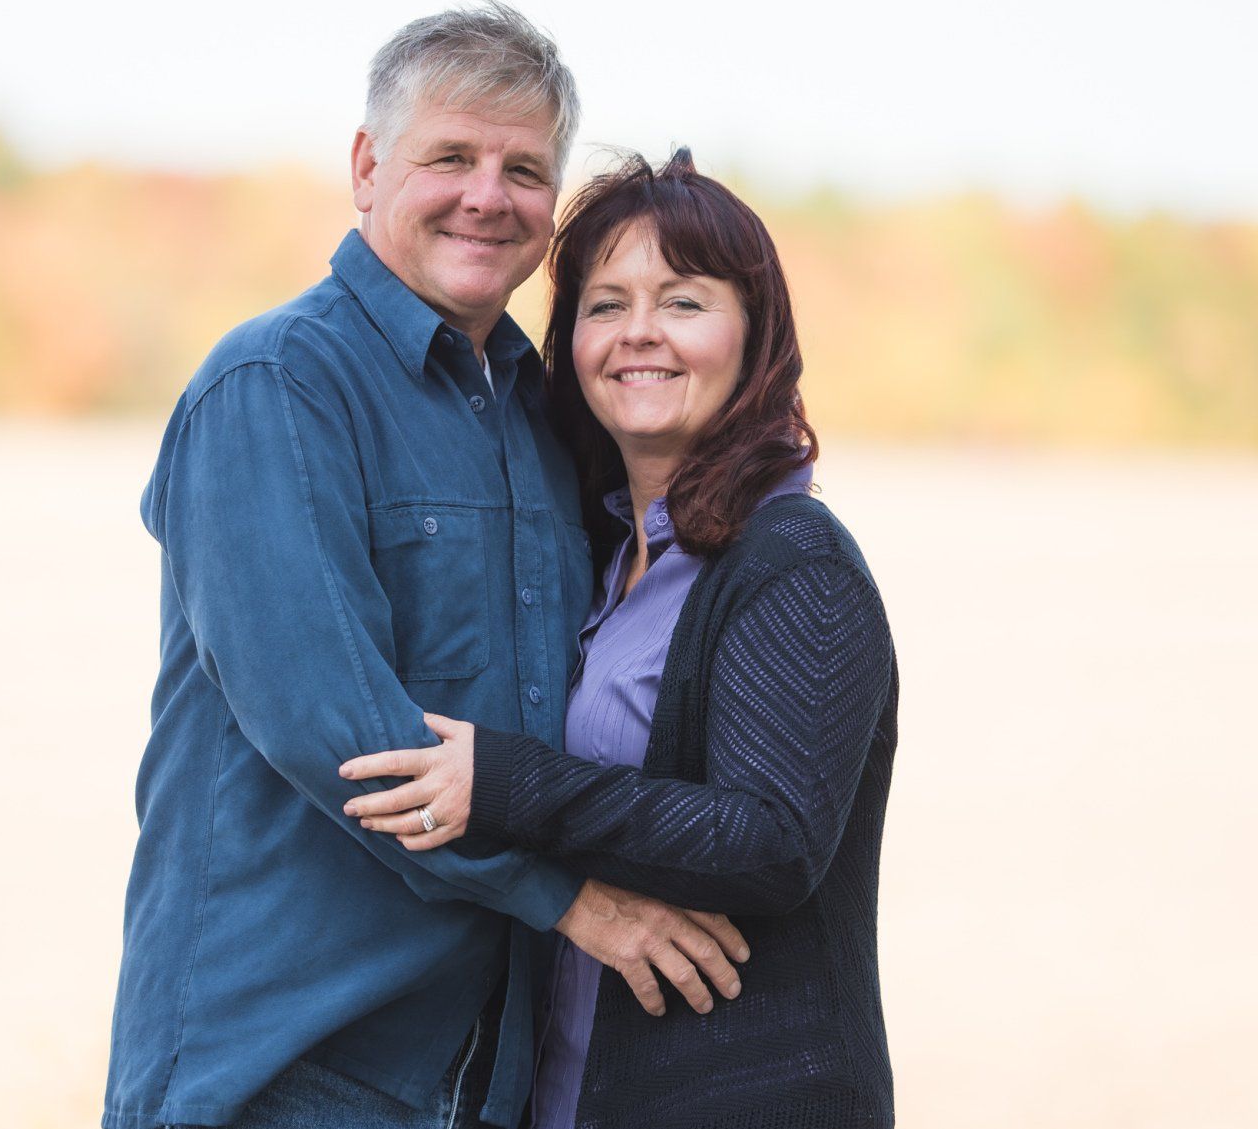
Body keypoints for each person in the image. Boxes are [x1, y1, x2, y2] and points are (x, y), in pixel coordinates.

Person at [102, 7, 749, 1129]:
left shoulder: (546, 419)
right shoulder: (276, 390)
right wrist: (574, 902)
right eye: (450, 156)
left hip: (480, 1071)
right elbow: (343, 738)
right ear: (366, 167)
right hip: (279, 1066)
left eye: (524, 169)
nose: (486, 196)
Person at [340, 150, 900, 1128]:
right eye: (605, 304)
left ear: (753, 334)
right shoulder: (607, 557)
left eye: (683, 301)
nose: (639, 333)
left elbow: (771, 841)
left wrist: (505, 784)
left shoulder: (792, 562)